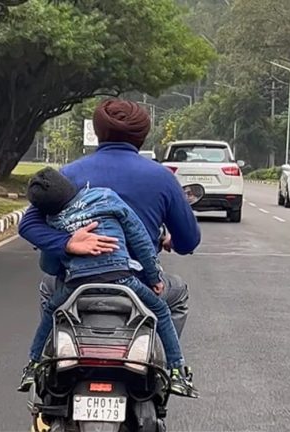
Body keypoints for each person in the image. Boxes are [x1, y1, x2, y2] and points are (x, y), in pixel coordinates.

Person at [18, 99, 201, 390]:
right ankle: (164, 369)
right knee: (177, 295)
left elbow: (28, 224)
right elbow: (189, 240)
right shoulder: (162, 178)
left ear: (97, 131)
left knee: (47, 289)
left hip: (75, 283)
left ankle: (43, 364)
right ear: (143, 136)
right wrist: (164, 249)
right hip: (136, 281)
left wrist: (67, 243)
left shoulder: (69, 175)